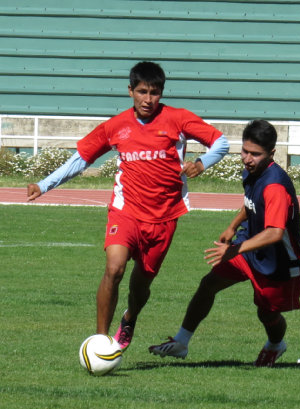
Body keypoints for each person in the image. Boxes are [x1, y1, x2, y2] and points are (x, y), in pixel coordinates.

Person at [27, 61, 229, 351]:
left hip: (164, 218)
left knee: (140, 287)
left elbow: (221, 142)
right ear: (130, 91)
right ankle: (100, 342)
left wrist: (201, 163)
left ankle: (130, 317)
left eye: (155, 93)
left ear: (162, 92)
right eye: (142, 92)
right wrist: (44, 184)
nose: (148, 99)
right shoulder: (116, 126)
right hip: (126, 211)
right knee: (114, 269)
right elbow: (82, 158)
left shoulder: (178, 119)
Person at [149, 119, 300, 367]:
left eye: (255, 154)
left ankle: (276, 345)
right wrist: (233, 226)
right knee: (208, 284)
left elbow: (275, 232)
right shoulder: (253, 171)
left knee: (267, 313)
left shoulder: (275, 185)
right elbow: (251, 203)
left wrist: (234, 249)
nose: (247, 158)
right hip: (250, 249)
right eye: (245, 151)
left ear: (272, 154)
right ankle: (181, 342)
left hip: (279, 263)